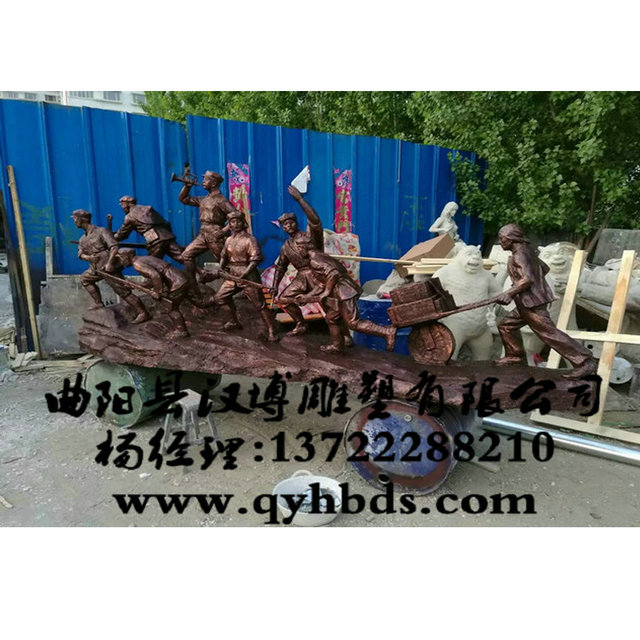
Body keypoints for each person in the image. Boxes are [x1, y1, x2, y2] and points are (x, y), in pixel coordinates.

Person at [494, 223, 597, 379]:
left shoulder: (520, 255)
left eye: (502, 239)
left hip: (532, 304)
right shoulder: (527, 252)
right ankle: (514, 356)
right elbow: (544, 268)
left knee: (549, 333)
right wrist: (528, 285)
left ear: (512, 239)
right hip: (526, 302)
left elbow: (528, 279)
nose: (500, 242)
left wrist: (510, 292)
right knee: (506, 325)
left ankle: (585, 361)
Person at [293, 236, 396, 353]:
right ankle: (337, 345)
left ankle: (386, 332)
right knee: (332, 318)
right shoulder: (318, 257)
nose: (298, 252)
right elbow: (322, 283)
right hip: (340, 292)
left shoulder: (315, 260)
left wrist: (326, 292)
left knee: (353, 322)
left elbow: (334, 274)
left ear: (304, 247)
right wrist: (307, 297)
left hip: (345, 292)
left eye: (299, 248)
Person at [117, 250, 215, 339]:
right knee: (201, 302)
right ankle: (220, 298)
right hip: (182, 278)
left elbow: (155, 276)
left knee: (170, 307)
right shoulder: (143, 259)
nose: (121, 262)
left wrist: (157, 292)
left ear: (127, 256)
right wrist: (138, 285)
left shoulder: (137, 264)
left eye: (121, 258)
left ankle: (181, 330)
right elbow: (154, 278)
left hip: (176, 283)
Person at [72, 209, 149, 323]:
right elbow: (80, 254)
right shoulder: (82, 239)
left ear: (81, 219)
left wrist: (110, 263)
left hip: (107, 265)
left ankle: (142, 312)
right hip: (95, 267)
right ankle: (98, 303)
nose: (74, 222)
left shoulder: (101, 231)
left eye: (75, 219)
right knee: (85, 279)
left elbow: (114, 246)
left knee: (123, 292)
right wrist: (88, 258)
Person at [213, 211, 278, 342]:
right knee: (220, 297)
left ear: (243, 223)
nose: (235, 224)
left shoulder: (250, 240)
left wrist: (245, 273)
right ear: (229, 225)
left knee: (259, 304)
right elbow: (224, 256)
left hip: (248, 276)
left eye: (238, 221)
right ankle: (234, 321)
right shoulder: (228, 240)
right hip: (232, 275)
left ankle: (271, 330)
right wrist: (220, 267)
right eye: (232, 222)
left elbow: (255, 259)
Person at [270, 185, 324, 335]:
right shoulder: (286, 246)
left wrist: (300, 199)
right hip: (301, 276)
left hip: (317, 272)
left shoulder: (309, 236)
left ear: (297, 223)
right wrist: (274, 286)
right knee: (284, 298)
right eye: (285, 224)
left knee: (329, 303)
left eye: (291, 222)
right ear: (283, 228)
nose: (289, 225)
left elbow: (315, 221)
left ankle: (344, 335)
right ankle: (301, 324)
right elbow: (281, 267)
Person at [178, 170, 238, 283]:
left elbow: (237, 215)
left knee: (226, 264)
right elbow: (183, 199)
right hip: (203, 234)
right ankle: (192, 285)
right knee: (186, 255)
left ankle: (240, 285)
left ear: (214, 183)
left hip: (215, 235)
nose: (203, 182)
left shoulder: (221, 200)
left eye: (206, 180)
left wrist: (224, 230)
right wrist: (187, 187)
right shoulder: (204, 199)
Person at [114, 196, 183, 261]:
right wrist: (167, 234)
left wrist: (112, 237)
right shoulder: (148, 209)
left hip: (154, 241)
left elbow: (122, 234)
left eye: (122, 205)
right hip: (167, 236)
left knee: (149, 264)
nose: (122, 208)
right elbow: (166, 224)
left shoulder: (129, 217)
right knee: (183, 257)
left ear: (126, 205)